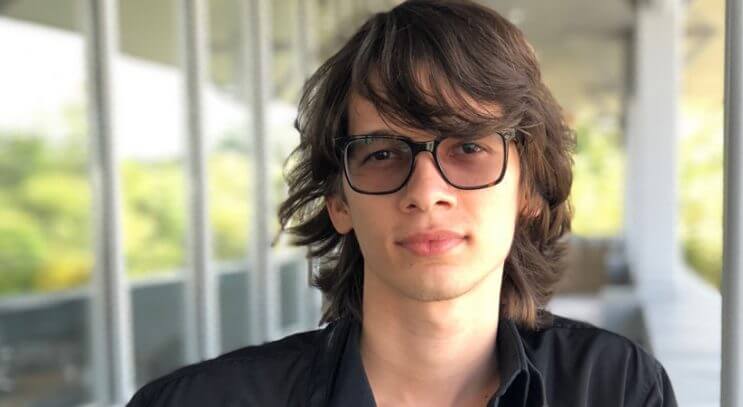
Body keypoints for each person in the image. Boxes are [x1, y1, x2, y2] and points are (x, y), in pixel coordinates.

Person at [128, 0, 677, 406]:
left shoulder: (614, 388)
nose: (425, 192)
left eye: (467, 148)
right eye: (383, 154)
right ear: (339, 202)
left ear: (528, 187)